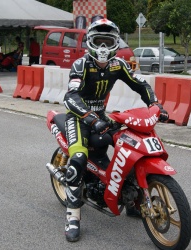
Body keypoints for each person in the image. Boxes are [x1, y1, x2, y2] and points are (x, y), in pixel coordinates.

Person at [63, 18, 169, 242]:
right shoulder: (80, 65)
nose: (102, 47)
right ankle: (72, 216)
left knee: (129, 147)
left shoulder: (118, 65)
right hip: (78, 119)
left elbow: (141, 84)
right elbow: (70, 97)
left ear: (115, 43)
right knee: (78, 160)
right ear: (90, 43)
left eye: (107, 41)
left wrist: (156, 105)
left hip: (101, 117)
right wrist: (91, 118)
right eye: (98, 41)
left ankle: (132, 201)